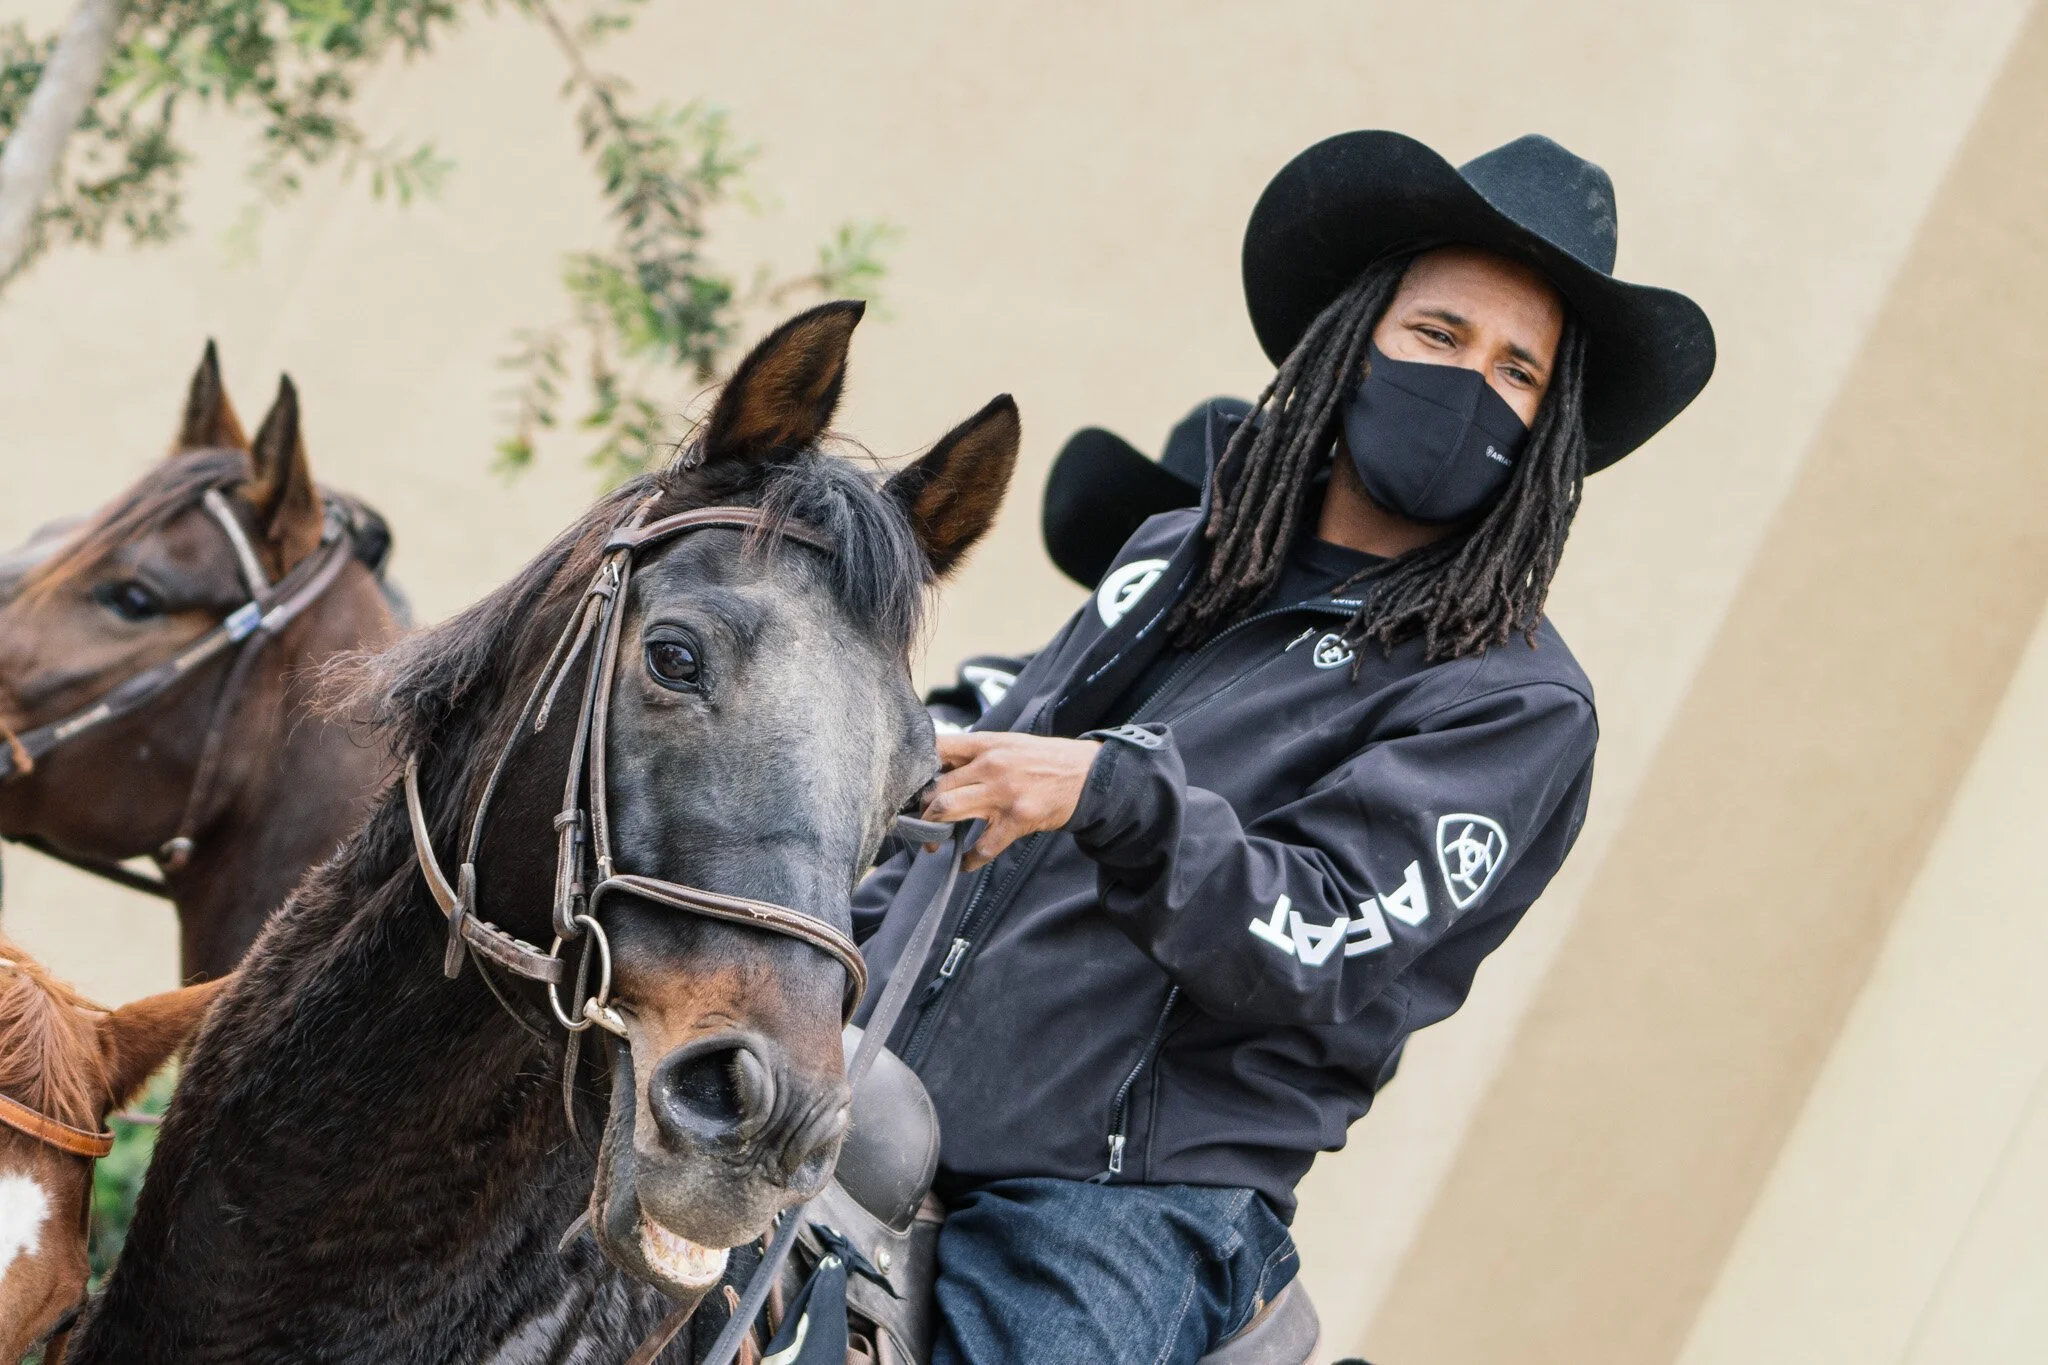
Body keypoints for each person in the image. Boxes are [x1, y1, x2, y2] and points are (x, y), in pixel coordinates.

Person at [853, 130, 1715, 1364]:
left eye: (1516, 370)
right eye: (1437, 335)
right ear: (1352, 341)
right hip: (860, 1083)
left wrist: (1120, 797)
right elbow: (961, 804)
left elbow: (1317, 939)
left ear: (1547, 427)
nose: (1469, 381)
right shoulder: (1177, 551)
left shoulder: (1513, 703)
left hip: (1107, 1210)